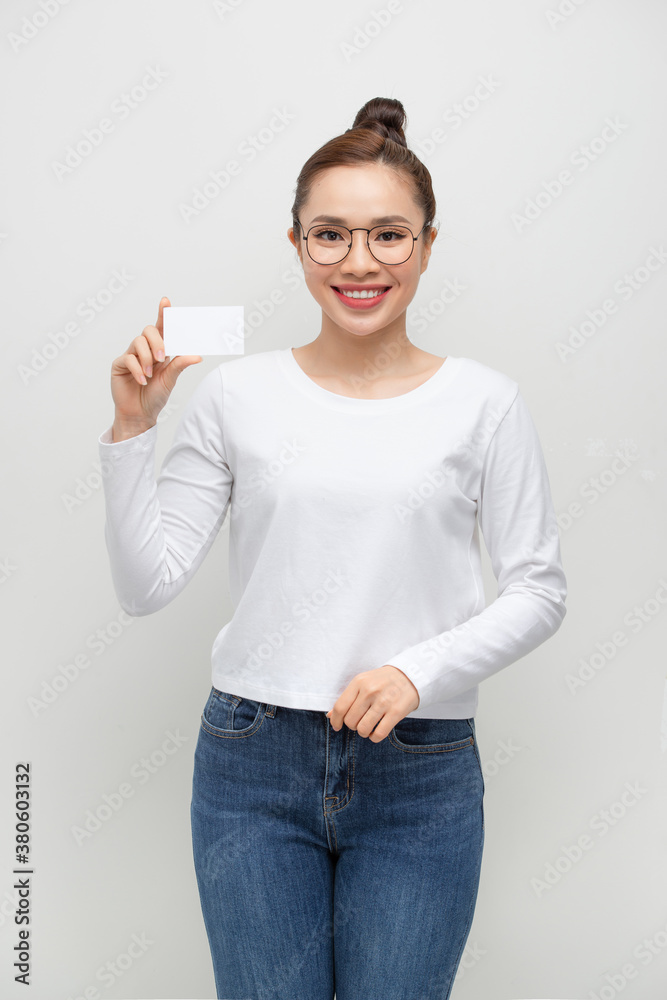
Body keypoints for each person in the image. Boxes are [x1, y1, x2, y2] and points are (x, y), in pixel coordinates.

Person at [98, 96, 567, 1000]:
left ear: (428, 245)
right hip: (251, 761)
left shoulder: (485, 402)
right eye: (330, 236)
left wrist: (416, 671)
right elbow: (144, 586)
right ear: (297, 246)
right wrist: (131, 430)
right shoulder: (236, 395)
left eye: (389, 235)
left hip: (420, 768)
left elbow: (538, 588)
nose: (360, 262)